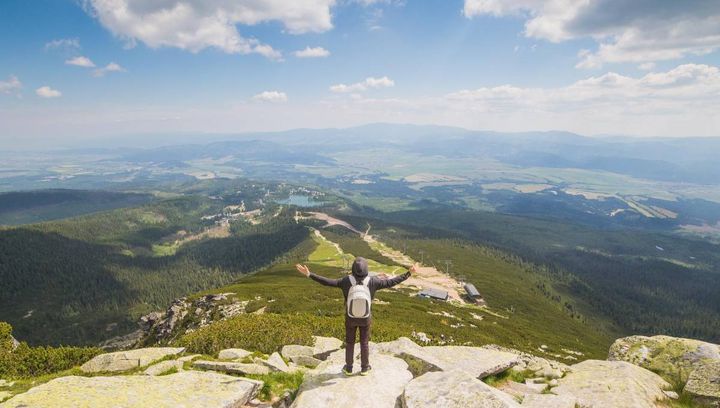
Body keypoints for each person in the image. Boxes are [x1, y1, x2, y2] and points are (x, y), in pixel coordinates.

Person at [295, 257, 417, 376]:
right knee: (364, 342)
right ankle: (364, 368)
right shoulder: (374, 282)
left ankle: (349, 368)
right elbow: (392, 281)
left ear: (353, 269)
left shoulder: (345, 281)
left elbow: (327, 281)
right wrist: (409, 273)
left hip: (350, 317)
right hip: (365, 318)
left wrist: (309, 274)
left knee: (350, 342)